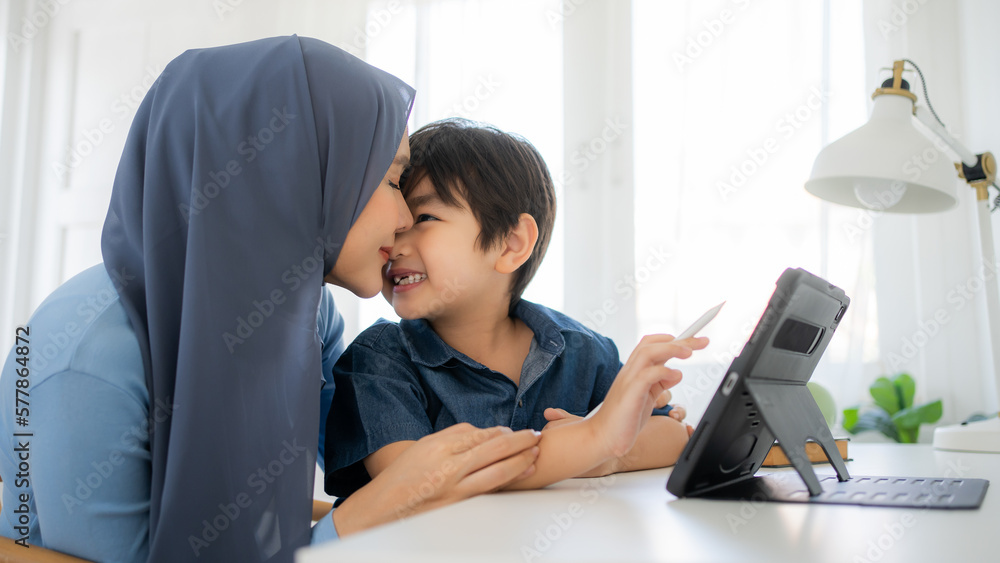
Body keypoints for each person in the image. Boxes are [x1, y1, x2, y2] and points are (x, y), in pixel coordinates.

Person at [0, 37, 542, 563]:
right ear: (296, 172)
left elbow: (380, 470)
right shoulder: (88, 362)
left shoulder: (309, 315)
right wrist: (352, 522)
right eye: (392, 180)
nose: (403, 220)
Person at [325, 119, 707, 498]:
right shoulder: (378, 361)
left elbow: (672, 435)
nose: (395, 243)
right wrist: (589, 441)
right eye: (395, 226)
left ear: (511, 243)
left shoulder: (580, 349)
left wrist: (602, 455)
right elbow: (414, 483)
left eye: (424, 218)